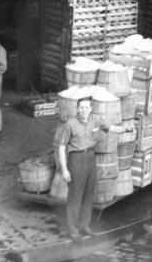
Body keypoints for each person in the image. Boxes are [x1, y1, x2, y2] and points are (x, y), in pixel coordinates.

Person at [54, 96, 133, 239]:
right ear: (77, 109)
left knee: (89, 194)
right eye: (81, 107)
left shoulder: (95, 120)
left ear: (91, 108)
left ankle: (84, 225)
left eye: (87, 107)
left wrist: (126, 129)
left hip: (91, 157)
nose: (84, 110)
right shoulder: (70, 124)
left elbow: (111, 128)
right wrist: (65, 170)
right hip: (76, 159)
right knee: (75, 196)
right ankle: (72, 230)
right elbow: (61, 147)